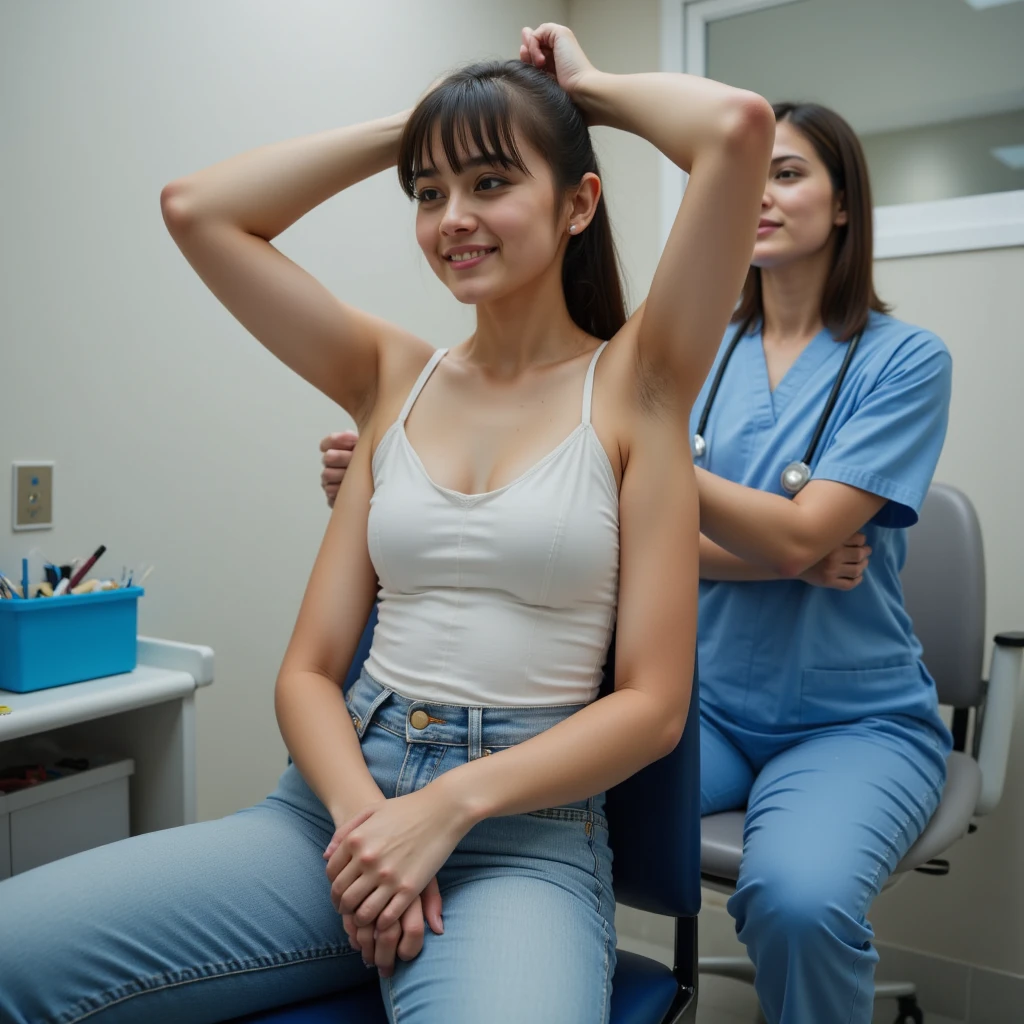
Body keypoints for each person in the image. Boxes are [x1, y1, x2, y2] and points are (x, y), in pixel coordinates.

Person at [0, 24, 775, 1024]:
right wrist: (375, 831)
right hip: (333, 808)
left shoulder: (639, 383)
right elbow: (200, 212)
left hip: (519, 841)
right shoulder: (390, 378)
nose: (453, 217)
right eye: (427, 191)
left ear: (578, 202)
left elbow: (652, 707)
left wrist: (583, 88)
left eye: (491, 181)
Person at [323, 101, 955, 1024]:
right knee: (517, 815)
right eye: (759, 177)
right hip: (710, 708)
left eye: (791, 175)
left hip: (851, 719)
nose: (765, 198)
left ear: (845, 202)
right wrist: (401, 467)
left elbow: (783, 533)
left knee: (797, 901)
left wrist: (653, 481)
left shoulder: (903, 361)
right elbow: (676, 534)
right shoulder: (695, 356)